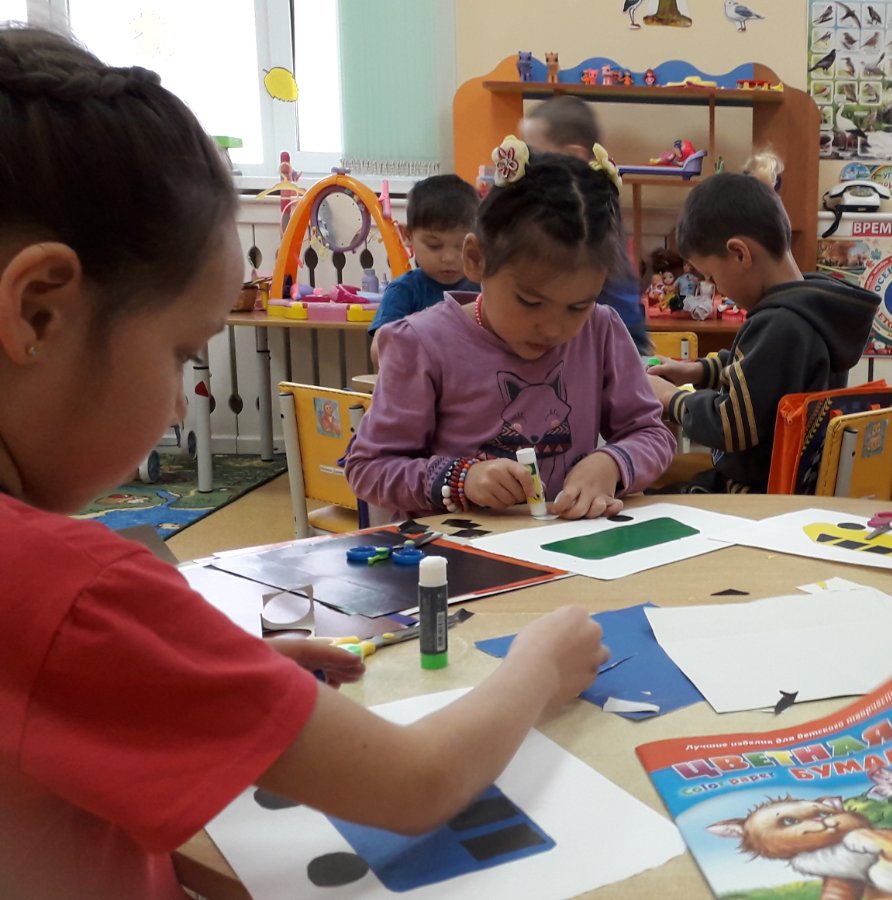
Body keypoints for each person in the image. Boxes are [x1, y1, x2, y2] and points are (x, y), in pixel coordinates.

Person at [0, 27, 605, 897]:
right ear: (37, 313)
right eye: (183, 352)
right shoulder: (69, 592)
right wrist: (540, 664)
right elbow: (415, 785)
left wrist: (190, 687)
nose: (178, 404)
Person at [345, 141, 674, 520]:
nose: (553, 328)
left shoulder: (600, 330)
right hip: (455, 550)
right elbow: (369, 467)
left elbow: (652, 434)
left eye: (577, 306)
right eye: (530, 302)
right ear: (476, 259)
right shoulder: (419, 343)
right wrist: (461, 479)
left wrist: (611, 463)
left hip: (566, 546)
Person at [646, 173, 879, 492]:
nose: (716, 287)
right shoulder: (810, 308)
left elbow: (730, 426)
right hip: (782, 485)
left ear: (739, 253)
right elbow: (762, 375)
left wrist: (669, 398)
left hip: (756, 495)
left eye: (712, 276)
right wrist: (698, 370)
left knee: (649, 496)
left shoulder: (781, 323)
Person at [519, 96, 652, 354]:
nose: (525, 163)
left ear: (574, 156)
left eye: (534, 154)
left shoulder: (591, 209)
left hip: (617, 341)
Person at [366, 173, 480, 342]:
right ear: (407, 236)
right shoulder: (404, 291)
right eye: (434, 245)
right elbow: (381, 347)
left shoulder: (483, 287)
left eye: (461, 246)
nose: (449, 258)